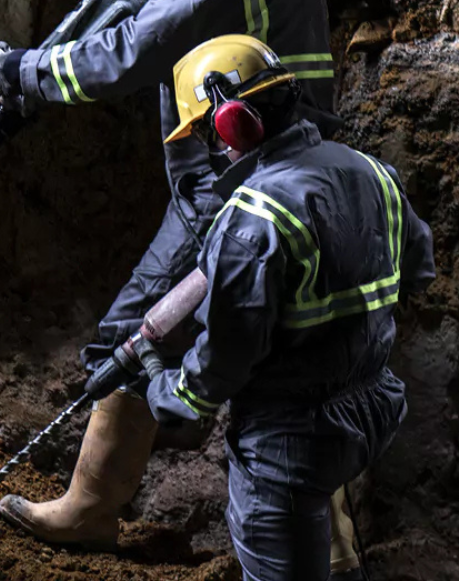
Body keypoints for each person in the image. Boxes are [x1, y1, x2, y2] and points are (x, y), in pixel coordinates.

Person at [0, 0, 355, 568]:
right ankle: (338, 556)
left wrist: (28, 73)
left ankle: (88, 509)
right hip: (292, 184)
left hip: (231, 196)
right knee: (297, 369)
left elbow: (127, 54)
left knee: (125, 342)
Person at [143, 34, 436, 580]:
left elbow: (222, 365)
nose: (212, 148)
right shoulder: (373, 172)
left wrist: (164, 383)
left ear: (231, 123)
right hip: (370, 410)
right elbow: (417, 271)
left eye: (208, 133)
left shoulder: (251, 219)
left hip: (289, 446)